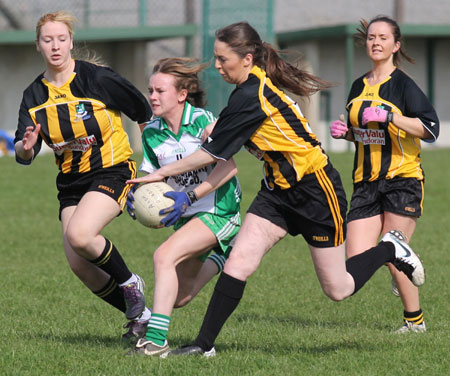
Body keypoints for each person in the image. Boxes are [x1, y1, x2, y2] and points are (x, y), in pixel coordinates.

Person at [128, 21, 425, 357]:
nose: (217, 66)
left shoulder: (251, 95)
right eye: (215, 58)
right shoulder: (244, 92)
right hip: (276, 191)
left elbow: (211, 154)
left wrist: (159, 175)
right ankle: (203, 345)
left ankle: (391, 249)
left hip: (316, 189)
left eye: (223, 58)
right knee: (238, 261)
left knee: (338, 288)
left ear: (247, 58)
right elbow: (219, 143)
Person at [14, 11, 153, 342]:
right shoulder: (33, 97)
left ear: (71, 42)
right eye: (48, 40)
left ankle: (132, 283)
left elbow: (143, 112)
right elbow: (24, 153)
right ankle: (143, 316)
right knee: (79, 263)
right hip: (71, 183)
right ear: (38, 45)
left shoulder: (97, 79)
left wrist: (152, 165)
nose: (56, 46)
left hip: (112, 169)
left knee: (80, 234)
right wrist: (26, 146)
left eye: (62, 39)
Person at [329, 16, 439, 333]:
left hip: (402, 179)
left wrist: (392, 115)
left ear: (396, 45)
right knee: (356, 262)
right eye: (371, 37)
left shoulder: (404, 85)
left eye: (383, 37)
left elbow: (430, 130)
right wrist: (346, 133)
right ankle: (400, 259)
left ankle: (414, 323)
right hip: (365, 183)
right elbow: (362, 132)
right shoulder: (358, 86)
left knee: (391, 252)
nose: (376, 42)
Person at [126, 57, 241, 357]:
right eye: (150, 90)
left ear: (181, 95)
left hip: (219, 210)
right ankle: (222, 257)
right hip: (187, 217)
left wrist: (190, 197)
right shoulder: (151, 132)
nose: (152, 96)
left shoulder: (204, 121)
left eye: (159, 91)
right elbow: (151, 177)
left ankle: (155, 342)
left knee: (163, 256)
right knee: (178, 297)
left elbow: (229, 169)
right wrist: (136, 196)